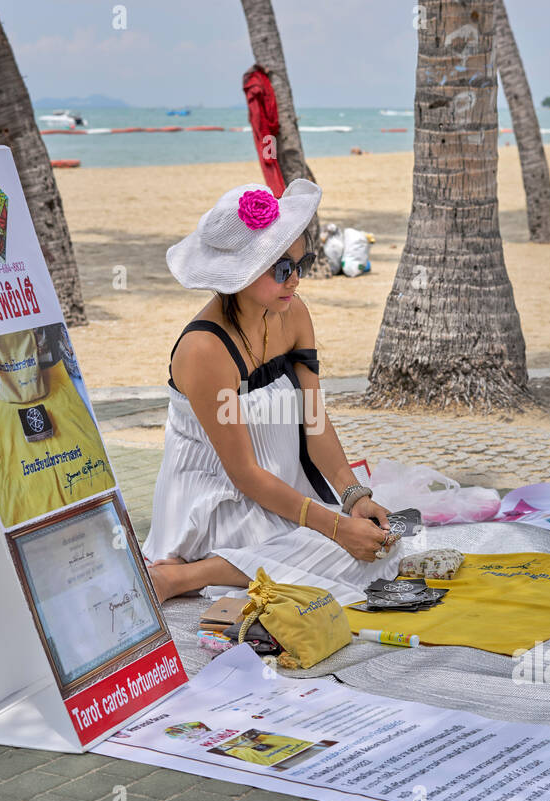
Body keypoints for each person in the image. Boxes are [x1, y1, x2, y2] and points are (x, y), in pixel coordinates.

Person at [142, 179, 407, 605]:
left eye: (303, 264)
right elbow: (243, 473)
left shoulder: (293, 313)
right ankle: (182, 577)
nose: (296, 280)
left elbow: (314, 420)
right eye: (283, 269)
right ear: (240, 274)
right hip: (216, 496)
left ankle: (238, 562)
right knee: (340, 558)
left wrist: (353, 495)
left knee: (380, 550)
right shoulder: (204, 350)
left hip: (277, 482)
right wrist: (335, 527)